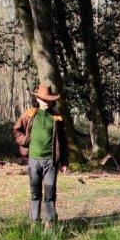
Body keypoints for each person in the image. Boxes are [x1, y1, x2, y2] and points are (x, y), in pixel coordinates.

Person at [12, 84, 69, 229]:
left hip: (51, 161)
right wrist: (25, 140)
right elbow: (16, 131)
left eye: (49, 99)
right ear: (38, 98)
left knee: (49, 193)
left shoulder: (57, 117)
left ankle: (49, 222)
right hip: (34, 160)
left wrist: (64, 162)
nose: (46, 102)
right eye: (43, 99)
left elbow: (63, 141)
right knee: (35, 193)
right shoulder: (29, 115)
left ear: (52, 101)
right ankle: (34, 222)